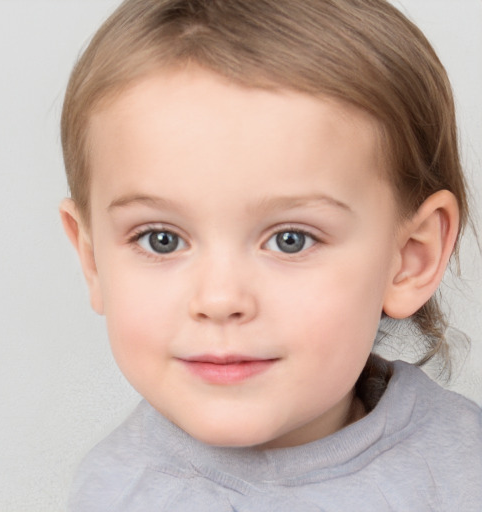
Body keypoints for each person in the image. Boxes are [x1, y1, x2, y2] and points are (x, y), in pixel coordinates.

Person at [59, 0, 482, 509]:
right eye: (161, 239)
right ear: (93, 259)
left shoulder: (465, 467)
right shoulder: (118, 496)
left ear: (411, 258)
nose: (219, 299)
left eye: (290, 239)